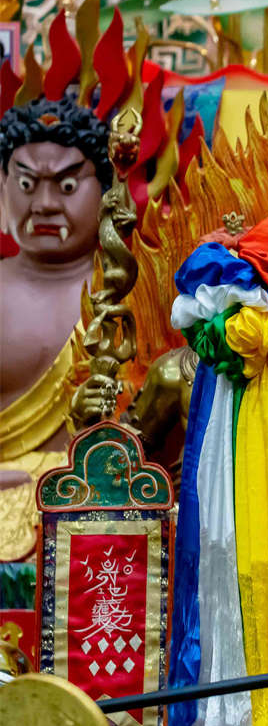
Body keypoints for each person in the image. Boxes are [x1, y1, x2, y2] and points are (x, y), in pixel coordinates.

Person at [0, 97, 111, 562]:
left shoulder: (130, 292)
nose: (44, 204)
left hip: (100, 503)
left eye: (67, 186)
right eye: (27, 184)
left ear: (106, 191)